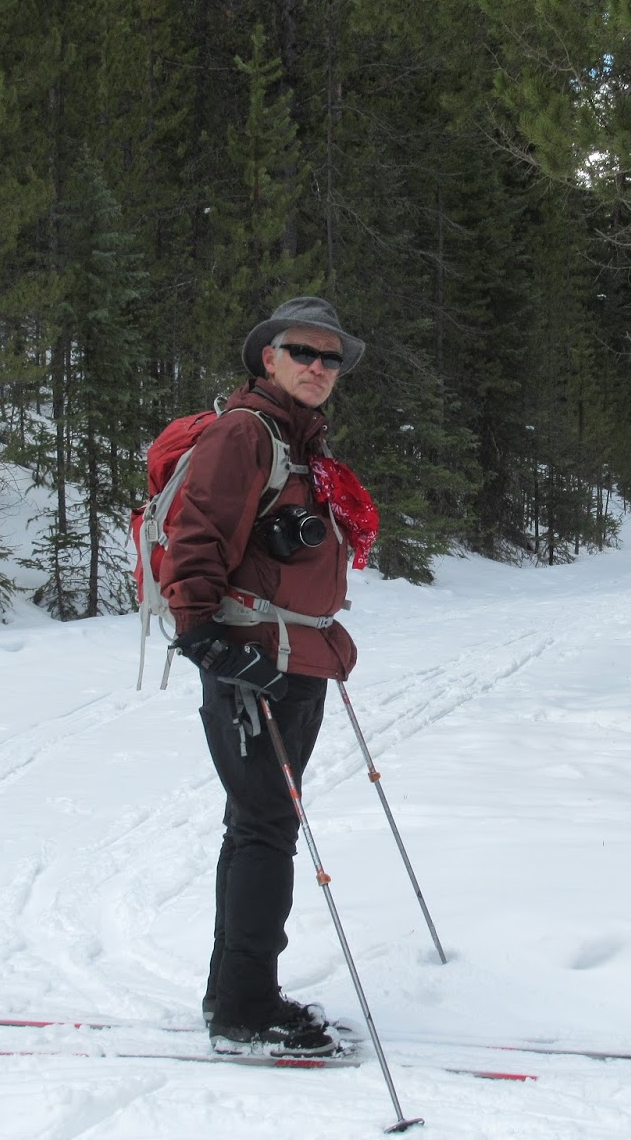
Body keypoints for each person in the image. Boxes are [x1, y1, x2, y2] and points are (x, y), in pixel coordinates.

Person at [160, 296, 366, 1056]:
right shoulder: (245, 432)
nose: (318, 366)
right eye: (302, 352)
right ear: (268, 358)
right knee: (266, 827)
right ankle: (246, 1011)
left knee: (258, 823)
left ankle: (235, 995)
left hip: (292, 658)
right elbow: (197, 534)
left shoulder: (299, 442)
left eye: (330, 357)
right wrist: (206, 641)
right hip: (253, 660)